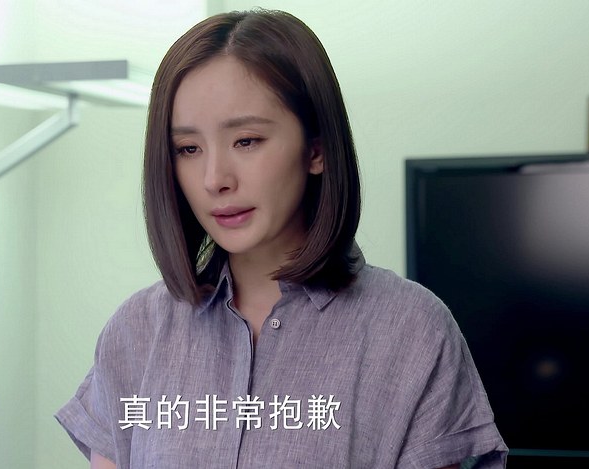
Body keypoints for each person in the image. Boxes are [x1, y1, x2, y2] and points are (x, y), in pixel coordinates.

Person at [56, 9, 507, 469]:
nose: (214, 179)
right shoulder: (138, 330)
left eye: (247, 140)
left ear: (316, 149)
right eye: (188, 149)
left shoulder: (412, 332)